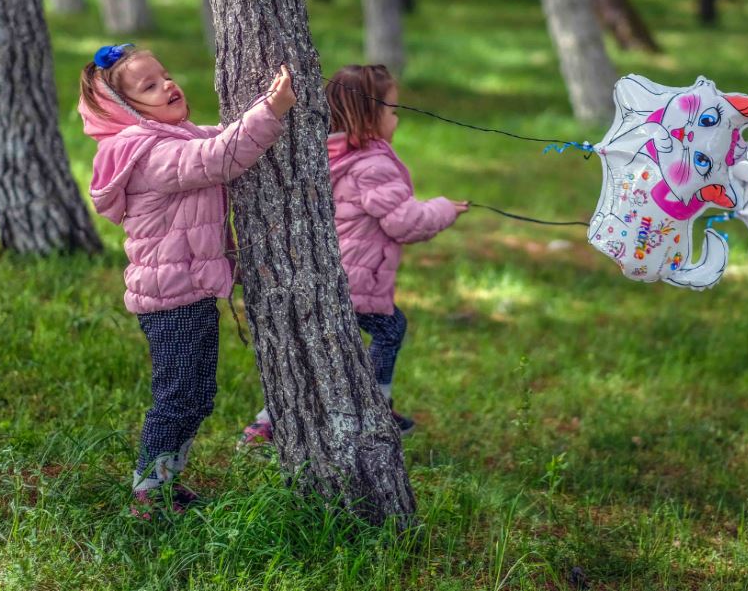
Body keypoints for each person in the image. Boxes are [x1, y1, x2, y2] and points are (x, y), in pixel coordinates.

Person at [77, 43, 294, 516]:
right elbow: (218, 158)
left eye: (166, 75)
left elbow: (218, 139)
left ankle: (164, 483)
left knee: (197, 394)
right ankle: (147, 492)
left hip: (188, 291)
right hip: (169, 299)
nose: (168, 85)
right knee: (177, 396)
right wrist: (271, 109)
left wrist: (258, 116)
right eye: (149, 86)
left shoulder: (175, 138)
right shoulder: (149, 154)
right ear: (128, 109)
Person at [241, 64, 466, 448]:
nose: (397, 118)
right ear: (370, 115)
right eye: (393, 110)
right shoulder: (373, 165)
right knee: (386, 330)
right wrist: (445, 209)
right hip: (356, 279)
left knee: (322, 353)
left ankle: (269, 422)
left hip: (330, 272)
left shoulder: (331, 153)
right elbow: (405, 223)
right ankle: (376, 404)